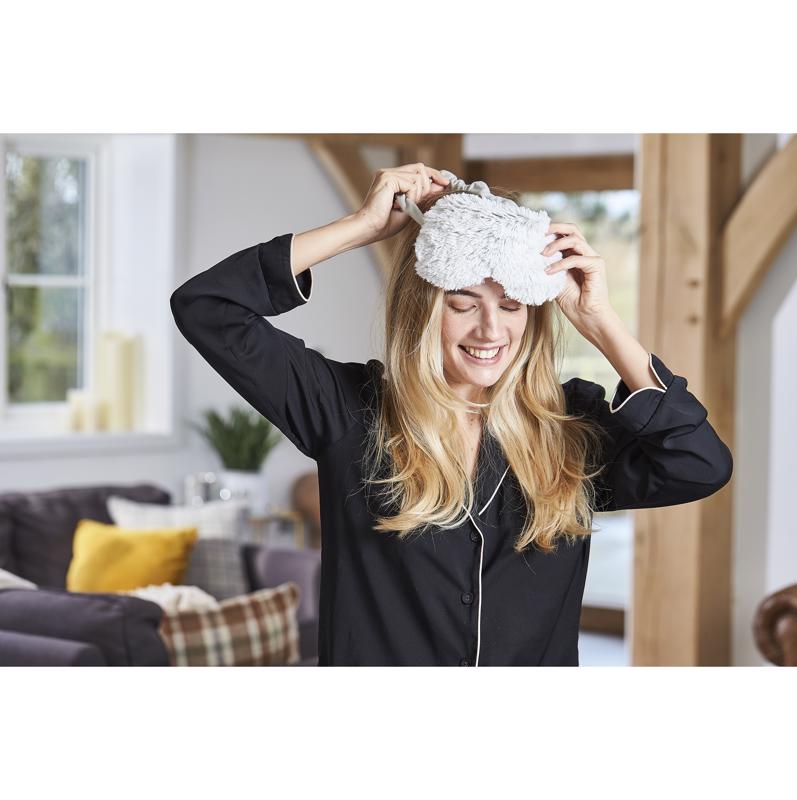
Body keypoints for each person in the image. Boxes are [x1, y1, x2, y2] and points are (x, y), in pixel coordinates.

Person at [170, 162, 733, 666]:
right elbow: (207, 308)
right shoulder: (350, 410)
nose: (490, 330)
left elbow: (700, 463)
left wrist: (601, 321)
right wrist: (362, 228)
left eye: (511, 306)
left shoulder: (569, 427)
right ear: (422, 310)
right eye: (463, 304)